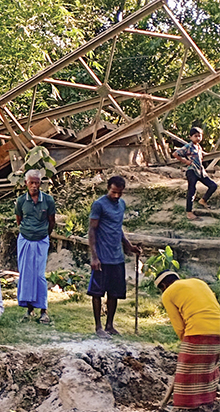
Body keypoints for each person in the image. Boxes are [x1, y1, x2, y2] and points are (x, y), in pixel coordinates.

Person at [155, 270, 220, 411]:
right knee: (208, 369)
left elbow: (178, 326)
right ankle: (206, 403)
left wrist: (186, 343)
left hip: (198, 331)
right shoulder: (199, 282)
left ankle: (184, 407)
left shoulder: (168, 293)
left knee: (186, 372)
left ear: (164, 285)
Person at [87, 175, 142, 338]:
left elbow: (118, 229)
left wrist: (129, 246)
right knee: (97, 293)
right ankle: (98, 327)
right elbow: (92, 230)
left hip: (117, 256)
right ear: (108, 188)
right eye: (113, 192)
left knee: (114, 293)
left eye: (120, 193)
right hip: (102, 256)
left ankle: (110, 325)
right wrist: (94, 257)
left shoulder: (122, 205)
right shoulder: (99, 205)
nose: (116, 196)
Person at [15, 169, 56, 324]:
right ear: (26, 183)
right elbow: (19, 220)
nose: (34, 186)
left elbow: (51, 221)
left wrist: (44, 234)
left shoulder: (48, 200)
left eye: (36, 183)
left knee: (39, 275)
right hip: (25, 239)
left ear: (40, 184)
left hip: (41, 239)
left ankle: (43, 310)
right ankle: (29, 309)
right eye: (31, 182)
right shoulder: (20, 201)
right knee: (26, 273)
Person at [174, 126, 217, 221]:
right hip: (192, 171)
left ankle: (203, 200)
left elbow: (201, 154)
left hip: (200, 171)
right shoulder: (188, 146)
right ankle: (189, 213)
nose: (198, 138)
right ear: (190, 137)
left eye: (199, 136)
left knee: (213, 186)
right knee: (192, 191)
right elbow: (176, 154)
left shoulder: (198, 147)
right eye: (195, 136)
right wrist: (185, 161)